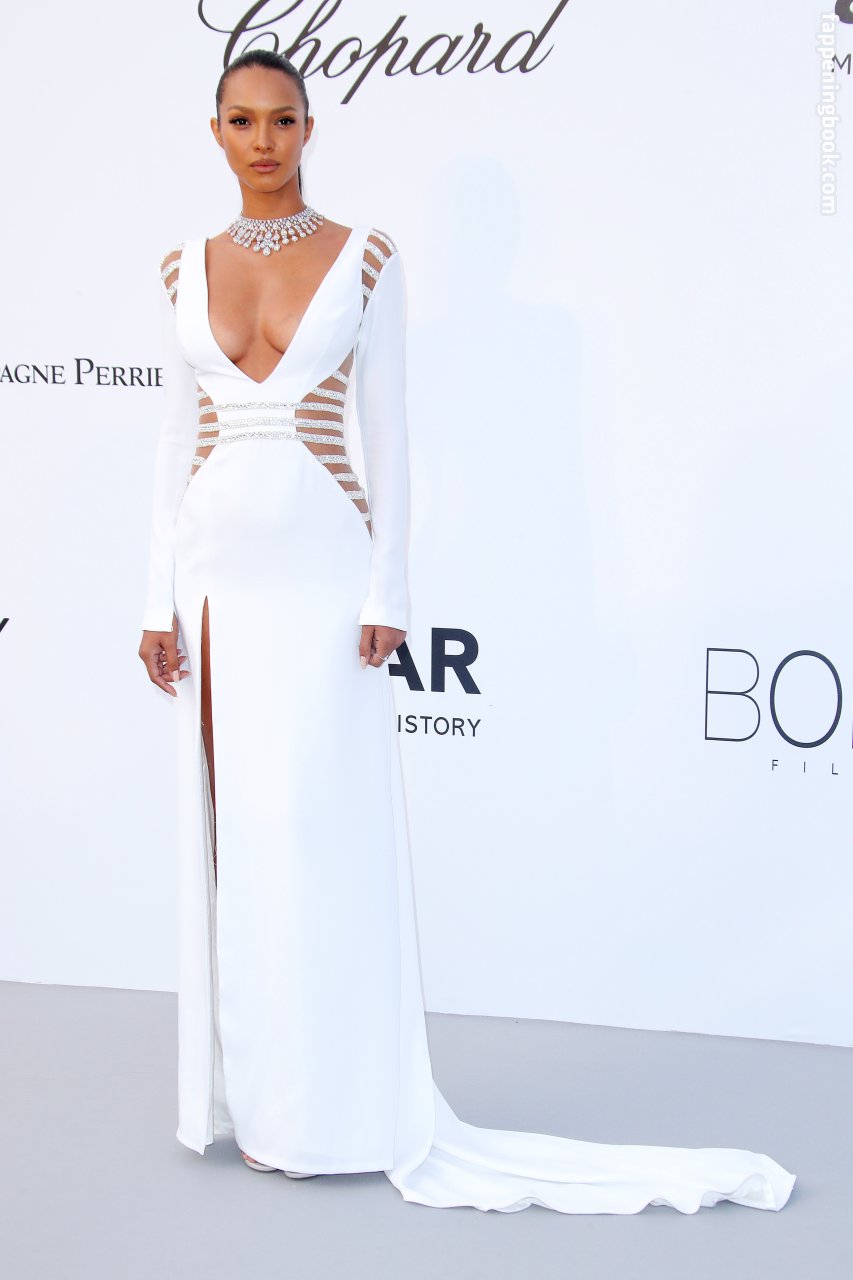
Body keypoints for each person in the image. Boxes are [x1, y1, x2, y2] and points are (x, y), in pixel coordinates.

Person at [138, 48, 797, 1213]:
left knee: (317, 840)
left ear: (309, 128)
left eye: (282, 120)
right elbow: (172, 445)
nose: (263, 141)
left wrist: (387, 588)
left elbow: (388, 432)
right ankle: (261, 1102)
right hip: (214, 585)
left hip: (323, 578)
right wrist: (154, 602)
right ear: (215, 132)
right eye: (241, 121)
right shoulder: (181, 266)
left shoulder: (365, 257)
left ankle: (334, 1103)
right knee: (242, 846)